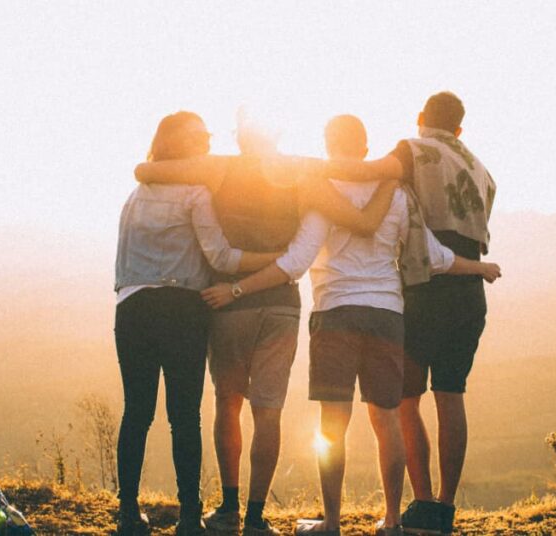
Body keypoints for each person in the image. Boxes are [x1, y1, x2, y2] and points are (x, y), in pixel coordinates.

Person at [201, 115, 501, 536]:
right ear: (365, 149)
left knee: (333, 424)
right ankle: (393, 521)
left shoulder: (323, 192)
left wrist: (237, 289)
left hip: (336, 312)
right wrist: (479, 267)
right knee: (388, 420)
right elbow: (433, 255)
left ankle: (333, 522)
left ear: (328, 145)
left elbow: (296, 261)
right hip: (387, 315)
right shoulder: (396, 193)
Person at [133, 115, 397, 536]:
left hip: (228, 302)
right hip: (281, 304)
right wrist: (391, 172)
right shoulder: (302, 170)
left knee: (228, 404)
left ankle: (229, 510)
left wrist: (146, 168)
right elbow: (359, 196)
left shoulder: (219, 167)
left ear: (239, 137)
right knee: (268, 411)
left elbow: (148, 170)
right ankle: (257, 518)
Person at [328, 92, 498, 535]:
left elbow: (365, 171)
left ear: (421, 118)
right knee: (451, 394)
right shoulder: (481, 169)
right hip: (469, 290)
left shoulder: (413, 149)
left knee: (405, 399)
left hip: (426, 286)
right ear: (459, 128)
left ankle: (421, 503)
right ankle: (445, 506)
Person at [113, 111, 283, 536]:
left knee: (136, 412)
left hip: (132, 307)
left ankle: (129, 514)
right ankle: (190, 515)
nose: (207, 142)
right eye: (200, 137)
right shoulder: (195, 193)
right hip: (182, 310)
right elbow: (222, 258)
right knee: (184, 415)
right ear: (181, 145)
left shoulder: (136, 195)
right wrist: (277, 260)